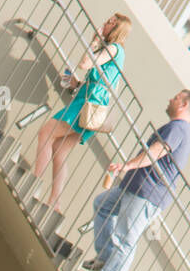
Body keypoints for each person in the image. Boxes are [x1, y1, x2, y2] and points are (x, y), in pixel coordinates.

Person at [84, 89, 190, 271]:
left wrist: (127, 166)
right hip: (136, 188)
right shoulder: (176, 128)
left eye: (175, 98)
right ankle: (106, 257)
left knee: (125, 239)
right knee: (102, 205)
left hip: (147, 192)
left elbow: (156, 152)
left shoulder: (177, 129)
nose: (169, 98)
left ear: (184, 105)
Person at [34, 14, 132, 212]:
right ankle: (55, 202)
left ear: (115, 29)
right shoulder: (115, 51)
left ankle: (33, 184)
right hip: (91, 105)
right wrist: (77, 84)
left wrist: (95, 41)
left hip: (87, 105)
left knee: (46, 133)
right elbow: (100, 79)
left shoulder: (114, 48)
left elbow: (85, 63)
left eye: (109, 22)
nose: (104, 23)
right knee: (60, 152)